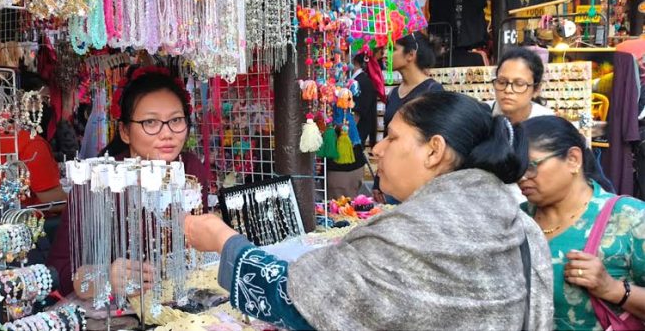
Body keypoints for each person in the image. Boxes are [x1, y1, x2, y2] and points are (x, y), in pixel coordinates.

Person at [186, 91, 553, 330]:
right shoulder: (521, 226)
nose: (377, 150)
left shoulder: (412, 235)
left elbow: (303, 301)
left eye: (392, 138)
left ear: (434, 150)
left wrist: (224, 240)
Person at [48, 65, 208, 297]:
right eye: (150, 123)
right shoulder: (97, 183)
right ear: (124, 131)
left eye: (176, 120)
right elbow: (58, 270)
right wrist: (104, 277)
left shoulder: (190, 168)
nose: (167, 133)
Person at [519, 116, 645, 330]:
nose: (521, 177)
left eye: (531, 166)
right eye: (516, 169)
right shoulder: (517, 221)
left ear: (573, 159)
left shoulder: (630, 218)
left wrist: (612, 289)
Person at [0, 75, 66, 206]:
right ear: (23, 101)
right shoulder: (33, 144)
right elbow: (54, 201)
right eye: (43, 99)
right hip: (23, 220)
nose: (48, 105)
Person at [372, 31, 443, 204]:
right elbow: (387, 139)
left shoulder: (432, 92)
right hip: (392, 180)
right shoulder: (394, 93)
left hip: (418, 183)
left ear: (411, 55)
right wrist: (378, 181)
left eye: (392, 49)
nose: (385, 55)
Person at [325, 53, 378, 198]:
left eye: (336, 58)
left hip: (347, 158)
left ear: (351, 59)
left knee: (342, 203)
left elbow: (351, 121)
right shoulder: (350, 83)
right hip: (343, 156)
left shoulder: (359, 83)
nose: (333, 64)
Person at [489, 47, 554, 124]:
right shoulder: (482, 115)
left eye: (519, 84)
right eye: (502, 82)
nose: (508, 90)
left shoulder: (548, 122)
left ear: (536, 90)